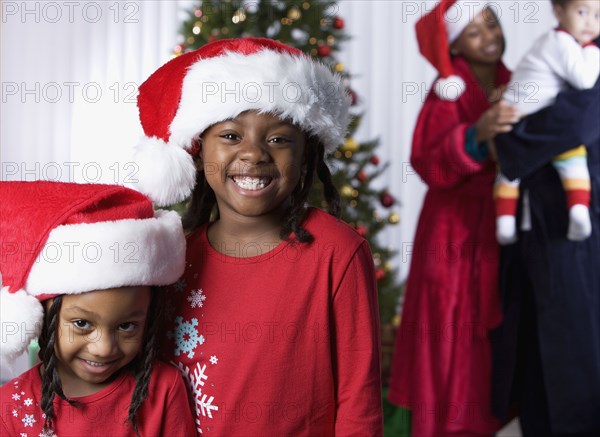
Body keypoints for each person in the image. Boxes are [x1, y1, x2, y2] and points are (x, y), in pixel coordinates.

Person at [130, 37, 383, 436]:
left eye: (279, 138)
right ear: (198, 151)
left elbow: (359, 397)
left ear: (306, 155)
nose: (254, 154)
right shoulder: (174, 258)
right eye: (230, 136)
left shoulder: (337, 252)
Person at [387, 1, 519, 436]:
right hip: (452, 231)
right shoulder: (448, 89)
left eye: (492, 25)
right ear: (456, 44)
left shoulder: (512, 82)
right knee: (450, 330)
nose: (491, 37)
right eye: (476, 32)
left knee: (492, 329)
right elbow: (427, 161)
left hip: (502, 224)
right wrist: (476, 134)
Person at [0, 181, 196, 437]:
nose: (104, 348)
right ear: (43, 315)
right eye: (82, 323)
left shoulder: (163, 389)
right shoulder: (10, 406)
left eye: (126, 326)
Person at [491, 34, 600, 437]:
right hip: (544, 215)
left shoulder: (590, 53)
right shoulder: (568, 43)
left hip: (574, 223)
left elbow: (577, 119)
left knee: (570, 339)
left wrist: (508, 138)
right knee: (540, 335)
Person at [494, 0, 600, 244]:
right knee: (572, 161)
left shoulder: (559, 42)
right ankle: (577, 209)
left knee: (509, 175)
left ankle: (506, 221)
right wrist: (592, 49)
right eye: (582, 12)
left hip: (525, 117)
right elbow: (584, 81)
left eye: (597, 15)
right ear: (558, 12)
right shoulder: (562, 42)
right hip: (524, 116)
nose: (590, 22)